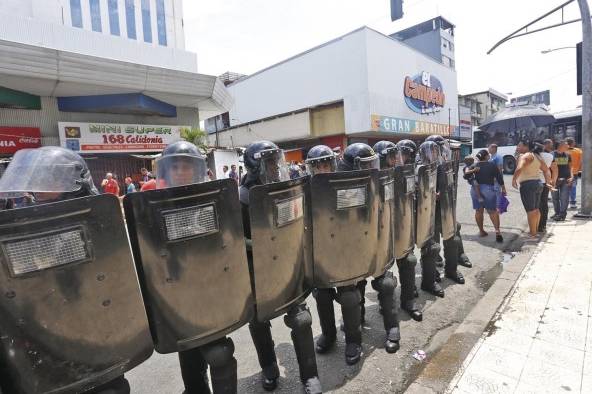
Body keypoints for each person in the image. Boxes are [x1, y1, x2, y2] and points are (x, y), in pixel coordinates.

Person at [0, 147, 147, 394]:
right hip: (46, 327)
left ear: (73, 181)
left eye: (50, 178)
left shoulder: (94, 216)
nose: (41, 186)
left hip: (95, 324)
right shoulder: (25, 221)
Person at [240, 141, 322, 393]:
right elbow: (237, 240)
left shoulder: (286, 188)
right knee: (258, 321)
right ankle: (269, 368)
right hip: (256, 270)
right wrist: (261, 245)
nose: (276, 167)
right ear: (256, 166)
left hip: (288, 263)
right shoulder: (243, 198)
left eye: (277, 162)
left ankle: (309, 374)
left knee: (301, 319)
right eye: (270, 163)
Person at [395, 139, 423, 321]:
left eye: (406, 154)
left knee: (408, 260)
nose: (402, 158)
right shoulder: (384, 170)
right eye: (400, 154)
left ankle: (408, 299)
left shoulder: (413, 170)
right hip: (383, 225)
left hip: (405, 220)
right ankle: (385, 305)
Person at [512, 140, 552, 236]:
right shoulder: (537, 156)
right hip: (538, 183)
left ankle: (532, 234)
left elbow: (519, 168)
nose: (517, 147)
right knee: (536, 209)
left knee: (530, 211)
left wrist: (514, 180)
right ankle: (535, 231)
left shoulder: (525, 156)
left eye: (519, 145)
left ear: (526, 146)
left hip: (527, 184)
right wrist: (548, 182)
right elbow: (546, 170)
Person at [471, 149, 506, 242]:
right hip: (488, 189)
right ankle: (497, 232)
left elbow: (467, 176)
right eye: (488, 155)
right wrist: (503, 188)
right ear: (486, 156)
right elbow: (499, 177)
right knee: (493, 212)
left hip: (475, 189)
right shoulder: (491, 165)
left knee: (478, 211)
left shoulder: (474, 165)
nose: (489, 156)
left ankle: (481, 231)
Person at [538, 140, 557, 233]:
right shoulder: (550, 156)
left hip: (535, 182)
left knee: (536, 205)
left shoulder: (534, 155)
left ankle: (536, 225)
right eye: (550, 145)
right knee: (544, 203)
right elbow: (555, 169)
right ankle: (542, 226)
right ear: (544, 145)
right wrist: (553, 180)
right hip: (545, 182)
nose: (551, 147)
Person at [551, 140, 573, 221]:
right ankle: (557, 213)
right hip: (555, 180)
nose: (568, 146)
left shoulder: (568, 155)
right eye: (566, 144)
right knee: (555, 198)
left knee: (564, 198)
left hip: (566, 180)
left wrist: (572, 176)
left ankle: (562, 215)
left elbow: (571, 167)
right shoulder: (552, 155)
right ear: (561, 145)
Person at [566, 137, 582, 209]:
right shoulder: (578, 151)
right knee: (573, 187)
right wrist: (579, 169)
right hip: (575, 172)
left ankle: (564, 202)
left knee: (565, 187)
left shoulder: (564, 151)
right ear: (573, 143)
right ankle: (572, 203)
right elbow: (581, 162)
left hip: (565, 172)